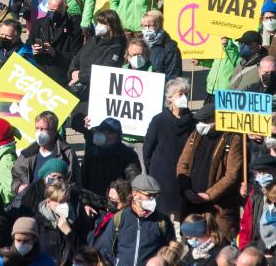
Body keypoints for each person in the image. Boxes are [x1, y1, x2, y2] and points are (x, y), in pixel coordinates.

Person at [176, 104, 244, 239]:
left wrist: (209, 195)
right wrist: (186, 189)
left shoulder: (232, 139)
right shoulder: (196, 135)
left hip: (217, 209)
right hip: (192, 205)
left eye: (205, 121)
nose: (201, 124)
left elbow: (231, 175)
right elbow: (182, 164)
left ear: (215, 119)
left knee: (218, 247)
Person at [96, 173, 175, 265]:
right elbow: (106, 250)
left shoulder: (163, 221)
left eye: (155, 196)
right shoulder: (119, 218)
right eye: (149, 195)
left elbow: (171, 252)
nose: (153, 199)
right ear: (135, 194)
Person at [144, 78, 194, 219]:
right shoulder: (158, 121)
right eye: (180, 94)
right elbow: (147, 149)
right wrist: (153, 169)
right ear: (169, 98)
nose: (184, 97)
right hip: (162, 179)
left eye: (186, 94)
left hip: (183, 180)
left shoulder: (192, 122)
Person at [11, 111, 80, 195]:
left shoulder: (66, 153)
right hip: (30, 203)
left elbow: (75, 184)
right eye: (37, 128)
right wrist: (18, 187)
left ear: (54, 131)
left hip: (55, 204)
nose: (39, 132)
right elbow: (16, 177)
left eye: (44, 129)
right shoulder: (27, 153)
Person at [81, 118, 141, 199]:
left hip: (118, 205)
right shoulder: (91, 154)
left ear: (114, 135)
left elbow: (134, 183)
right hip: (93, 205)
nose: (100, 135)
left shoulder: (129, 155)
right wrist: (85, 203)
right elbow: (82, 182)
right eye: (100, 132)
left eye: (103, 132)